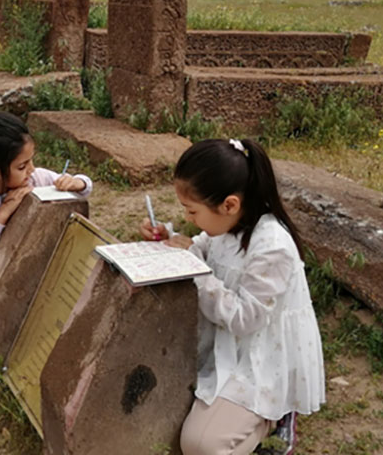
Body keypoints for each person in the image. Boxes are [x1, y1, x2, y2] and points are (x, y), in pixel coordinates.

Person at [139, 138, 325, 455]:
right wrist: (172, 239)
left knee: (200, 446)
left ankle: (274, 417)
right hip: (226, 344)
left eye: (192, 210)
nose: (190, 217)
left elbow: (244, 319)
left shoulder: (272, 246)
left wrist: (197, 269)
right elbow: (200, 247)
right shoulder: (227, 225)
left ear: (229, 204)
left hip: (260, 356)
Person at [0, 112, 93, 371]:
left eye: (31, 161)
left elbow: (87, 186)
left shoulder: (36, 179)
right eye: (22, 166)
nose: (31, 171)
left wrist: (76, 182)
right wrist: (5, 211)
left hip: (26, 278)